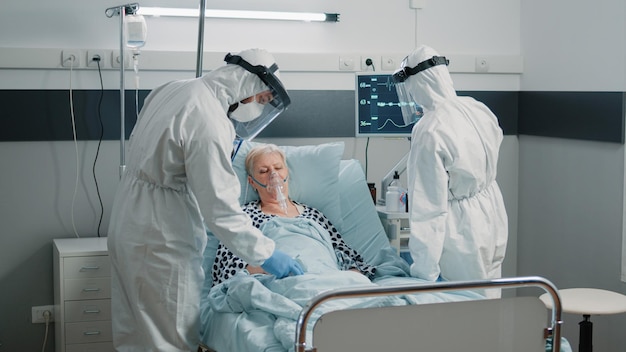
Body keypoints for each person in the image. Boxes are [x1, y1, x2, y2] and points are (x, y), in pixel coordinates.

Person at [107, 49, 303, 352]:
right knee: (169, 339)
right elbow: (221, 210)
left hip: (127, 219)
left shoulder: (176, 88)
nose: (259, 108)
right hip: (162, 235)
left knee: (133, 334)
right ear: (247, 85)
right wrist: (267, 254)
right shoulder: (209, 120)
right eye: (262, 99)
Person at [392, 45, 508, 298]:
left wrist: (423, 272)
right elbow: (496, 141)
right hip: (493, 213)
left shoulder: (430, 129)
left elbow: (429, 208)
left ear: (418, 84)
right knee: (491, 291)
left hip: (462, 228)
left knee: (466, 304)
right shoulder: (477, 108)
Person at [212, 143, 376, 285]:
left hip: (327, 278)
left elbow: (347, 256)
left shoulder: (313, 215)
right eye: (263, 171)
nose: (273, 175)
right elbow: (226, 270)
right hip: (278, 282)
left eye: (278, 168)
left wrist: (350, 279)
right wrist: (264, 264)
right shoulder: (244, 217)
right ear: (252, 182)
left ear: (287, 173)